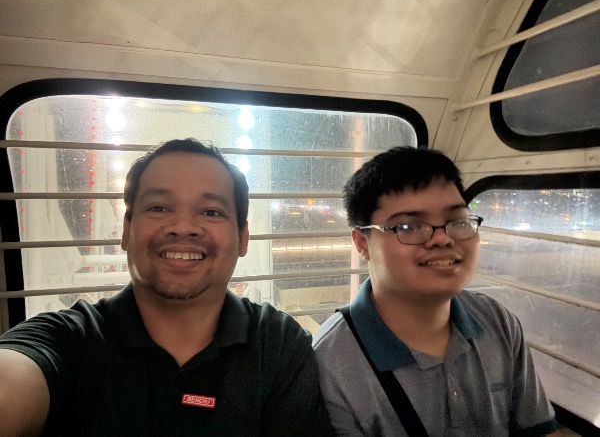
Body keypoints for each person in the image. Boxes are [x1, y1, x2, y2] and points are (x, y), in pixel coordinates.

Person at [0, 138, 333, 436]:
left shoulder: (278, 344)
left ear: (242, 239)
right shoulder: (67, 339)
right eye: (158, 207)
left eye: (211, 211)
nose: (183, 227)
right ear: (126, 230)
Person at [312, 146, 563, 436]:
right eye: (409, 226)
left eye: (458, 221)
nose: (443, 239)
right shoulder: (331, 362)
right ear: (362, 243)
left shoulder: (496, 321)